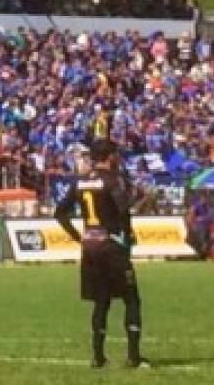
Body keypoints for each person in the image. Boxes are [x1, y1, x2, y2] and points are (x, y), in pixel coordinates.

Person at [55, 139, 147, 369]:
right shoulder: (114, 180)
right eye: (115, 154)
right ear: (110, 156)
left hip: (91, 248)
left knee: (101, 301)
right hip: (113, 245)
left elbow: (60, 213)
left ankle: (98, 357)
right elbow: (124, 208)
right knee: (131, 299)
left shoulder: (81, 182)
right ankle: (133, 356)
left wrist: (79, 237)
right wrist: (128, 234)